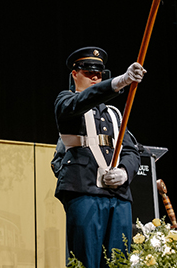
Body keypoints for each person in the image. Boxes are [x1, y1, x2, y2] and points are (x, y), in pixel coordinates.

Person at [54, 46, 145, 268]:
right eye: (88, 72)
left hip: (119, 195)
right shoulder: (66, 101)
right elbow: (80, 102)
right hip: (84, 190)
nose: (95, 76)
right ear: (74, 74)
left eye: (99, 73)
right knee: (87, 260)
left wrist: (124, 171)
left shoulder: (114, 113)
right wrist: (118, 82)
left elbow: (131, 150)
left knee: (118, 260)